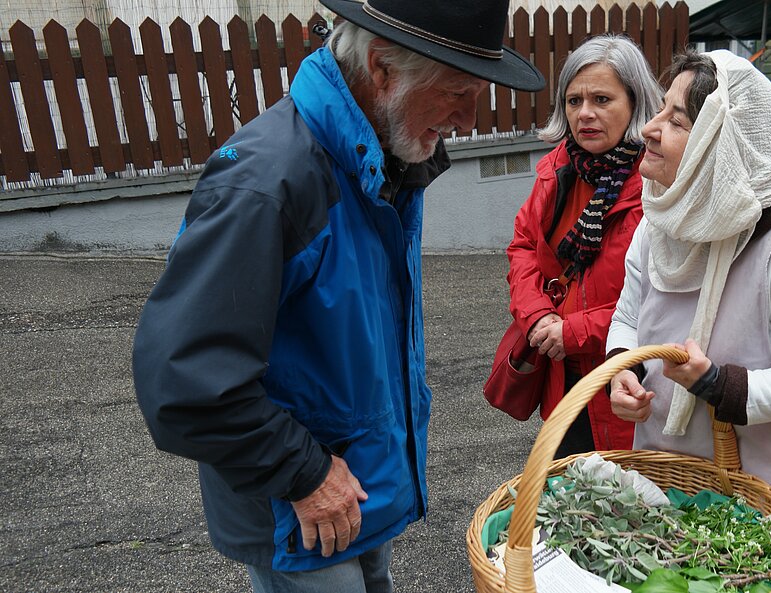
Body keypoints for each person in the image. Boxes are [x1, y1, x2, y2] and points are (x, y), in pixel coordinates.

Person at [131, 0, 543, 591]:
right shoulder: (271, 182)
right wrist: (303, 473)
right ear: (381, 69)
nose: (467, 119)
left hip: (355, 491)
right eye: (458, 92)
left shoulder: (380, 155)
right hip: (299, 509)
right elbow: (185, 382)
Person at [607, 49, 771, 593]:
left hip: (754, 484)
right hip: (662, 467)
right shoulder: (661, 221)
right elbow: (630, 314)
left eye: (677, 120)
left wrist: (717, 384)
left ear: (719, 145)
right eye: (661, 111)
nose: (649, 129)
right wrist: (621, 369)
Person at [505, 34, 661, 458]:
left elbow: (664, 299)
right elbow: (522, 247)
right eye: (574, 101)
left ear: (635, 103)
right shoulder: (557, 170)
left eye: (602, 99)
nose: (585, 114)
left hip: (631, 383)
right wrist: (537, 317)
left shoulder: (658, 184)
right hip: (563, 381)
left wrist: (570, 332)